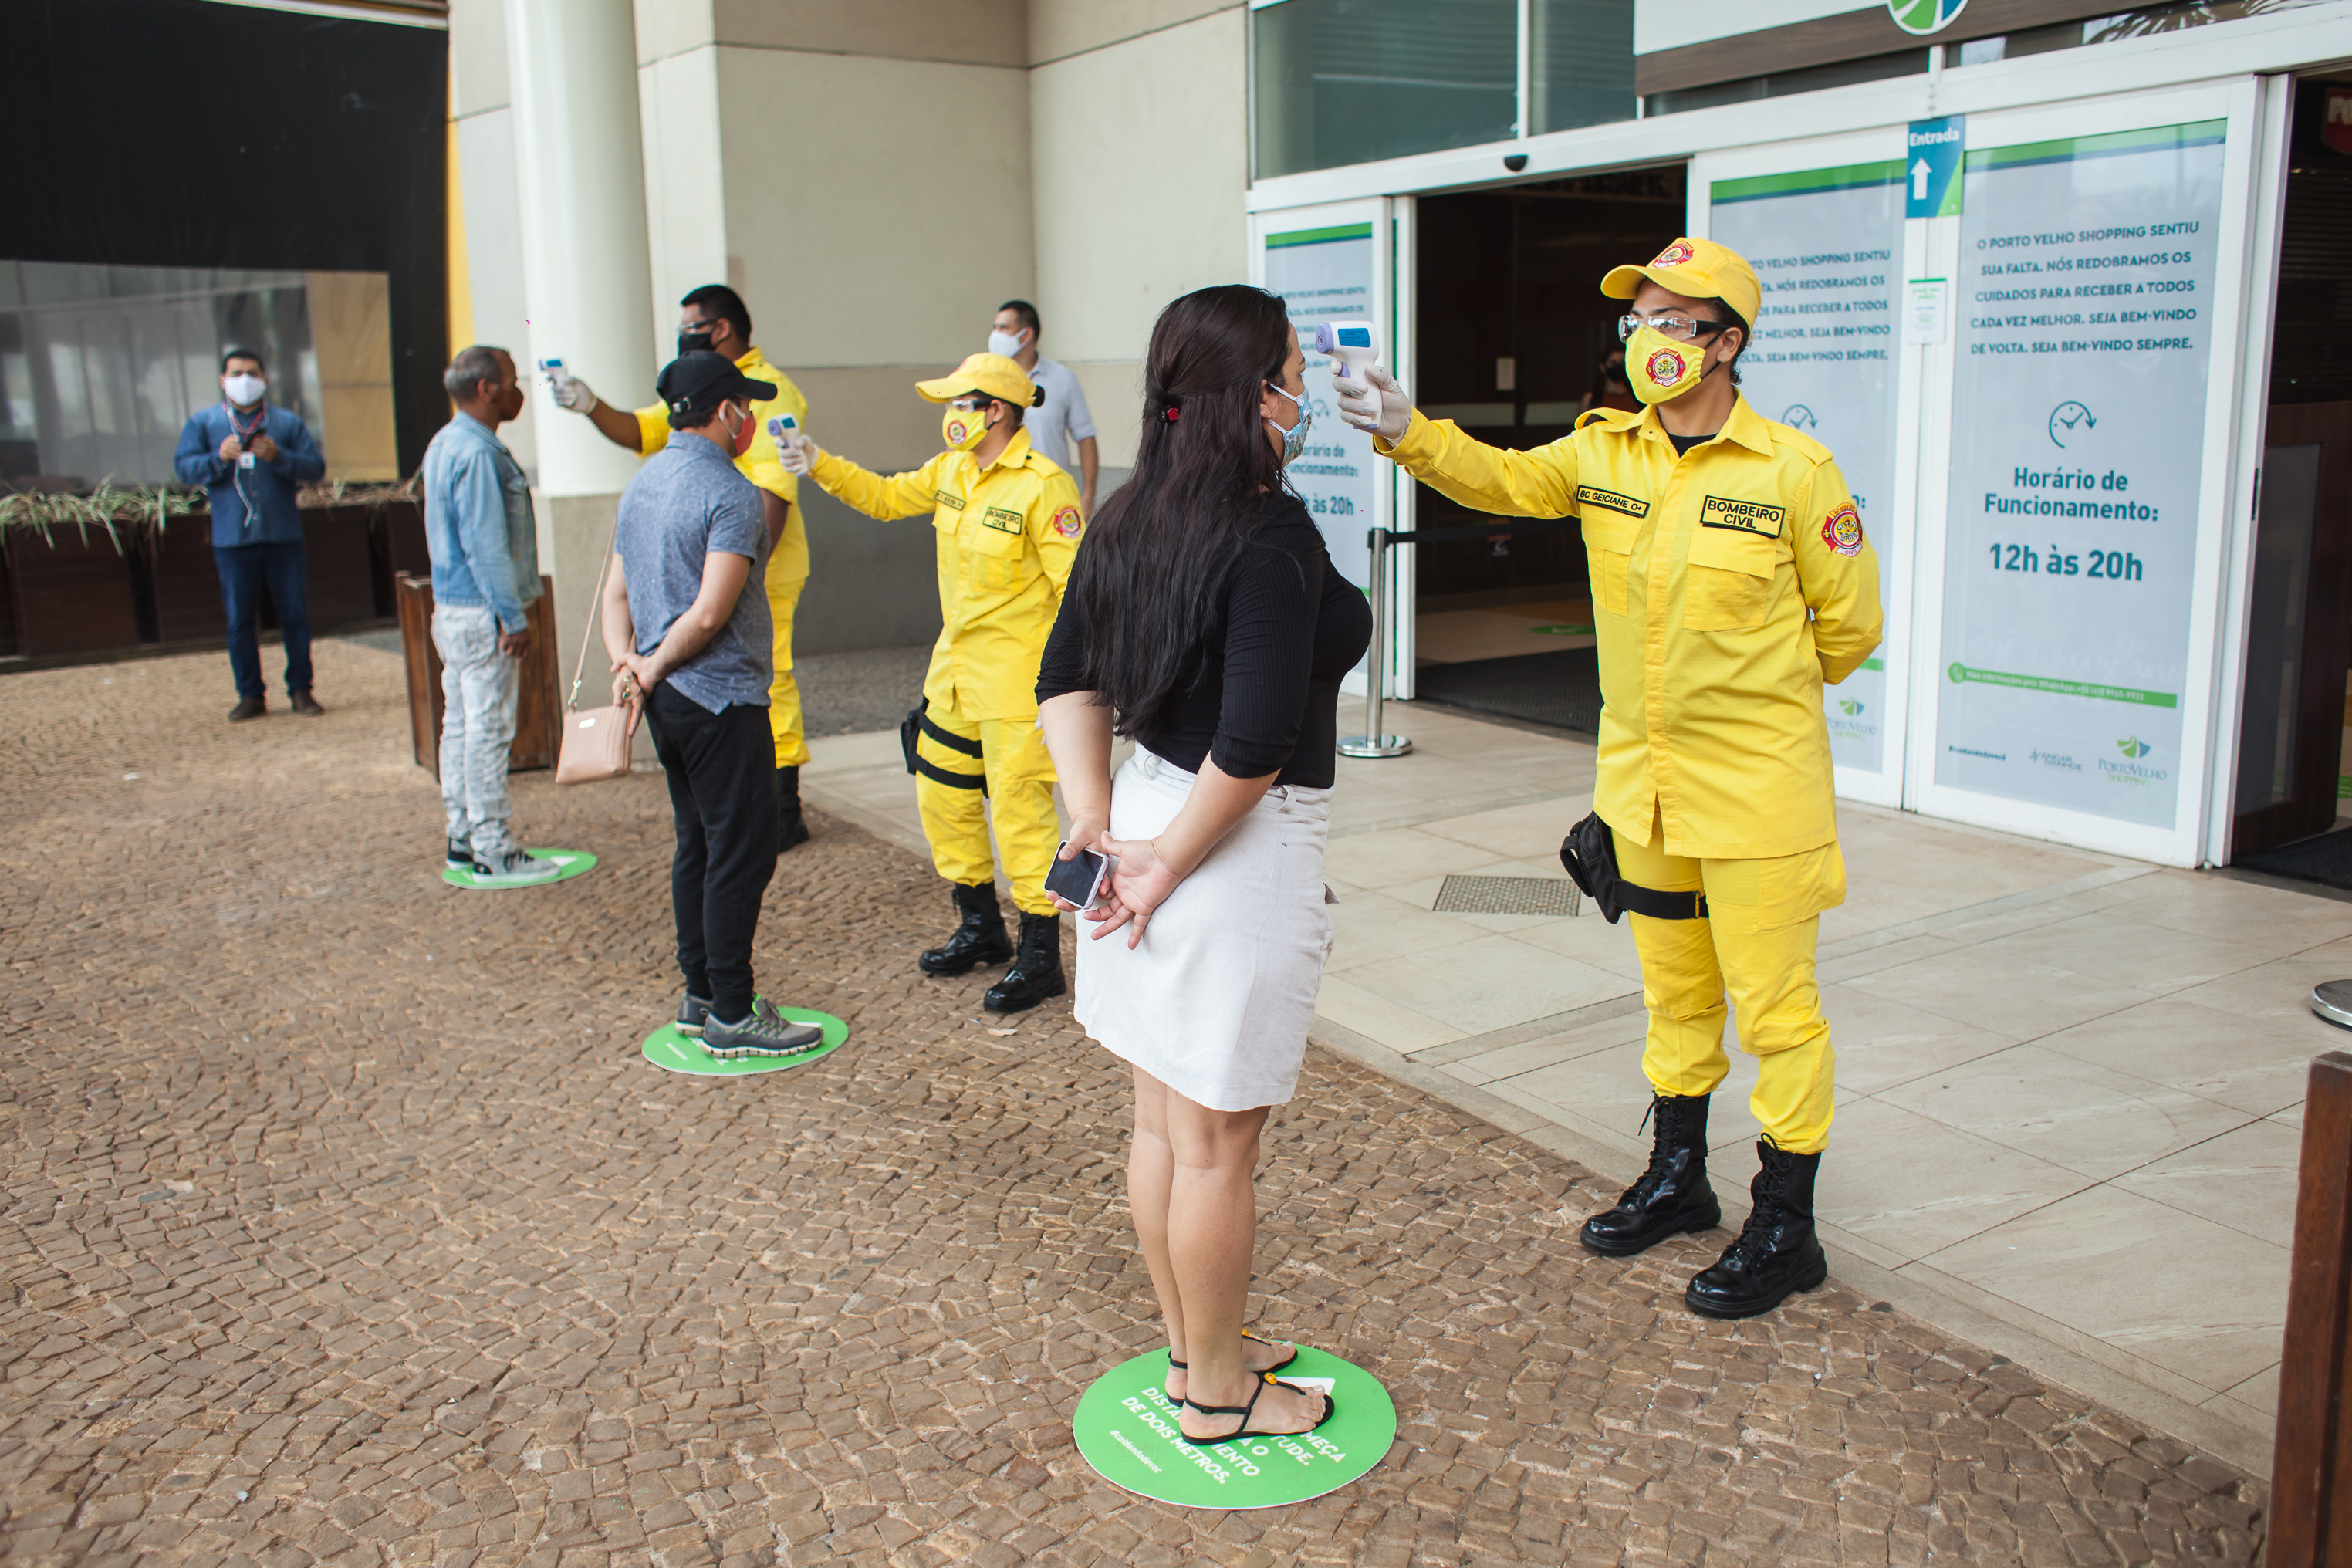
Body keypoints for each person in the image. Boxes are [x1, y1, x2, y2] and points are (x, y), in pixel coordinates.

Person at [1337, 237, 1882, 1320]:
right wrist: (1409, 433)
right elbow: (1498, 478)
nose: (1651, 341)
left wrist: (1755, 706)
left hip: (1759, 797)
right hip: (1645, 791)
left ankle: (1788, 1226)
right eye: (1639, 322)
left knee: (1778, 1013)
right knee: (1675, 995)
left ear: (1729, 343)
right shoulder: (1604, 454)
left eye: (1678, 323)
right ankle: (1682, 1178)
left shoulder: (1792, 470)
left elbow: (1851, 625)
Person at [1036, 284, 1367, 1443]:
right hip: (1226, 846)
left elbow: (1065, 678)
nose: (1302, 392)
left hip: (1140, 822)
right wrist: (1166, 864)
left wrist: (1098, 824)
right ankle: (1220, 1394)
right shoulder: (1269, 537)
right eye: (1289, 370)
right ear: (1250, 394)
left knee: (1163, 1127)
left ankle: (1197, 1346)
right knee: (1219, 1146)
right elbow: (1257, 744)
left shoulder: (1130, 512)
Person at [778, 353, 1082, 1014]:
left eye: (959, 404)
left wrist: (1069, 689)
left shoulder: (1043, 486)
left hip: (1014, 685)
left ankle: (1040, 956)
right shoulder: (950, 471)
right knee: (943, 800)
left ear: (995, 410)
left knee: (1020, 815)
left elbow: (1077, 592)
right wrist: (816, 459)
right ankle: (981, 927)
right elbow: (886, 499)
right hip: (952, 677)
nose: (950, 416)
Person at [602, 351, 826, 1061]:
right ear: (725, 412)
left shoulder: (642, 484)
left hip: (668, 702)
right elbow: (707, 615)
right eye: (746, 407)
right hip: (721, 697)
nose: (753, 420)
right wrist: (656, 661)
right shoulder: (729, 493)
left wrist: (631, 667)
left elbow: (614, 597)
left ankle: (700, 996)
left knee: (696, 842)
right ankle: (733, 1011)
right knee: (741, 851)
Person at [548, 284, 818, 852]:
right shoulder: (700, 385)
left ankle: (784, 799)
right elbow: (646, 431)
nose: (683, 329)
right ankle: (758, 813)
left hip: (754, 572)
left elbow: (771, 498)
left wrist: (731, 566)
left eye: (691, 322)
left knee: (776, 680)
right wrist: (590, 403)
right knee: (716, 843)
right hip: (709, 584)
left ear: (721, 327)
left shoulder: (772, 395)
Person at [420, 346, 559, 887]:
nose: (517, 390)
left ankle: (462, 837)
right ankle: (493, 847)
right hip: (482, 615)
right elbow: (487, 547)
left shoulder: (445, 443)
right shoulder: (477, 454)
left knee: (460, 726)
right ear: (486, 390)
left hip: (454, 610)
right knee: (488, 730)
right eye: (511, 381)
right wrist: (513, 618)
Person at [173, 347, 329, 721]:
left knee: (294, 614)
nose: (245, 380)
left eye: (252, 372)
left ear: (265, 378)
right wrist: (217, 459)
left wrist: (280, 457)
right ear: (224, 380)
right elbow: (184, 469)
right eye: (237, 373)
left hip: (283, 537)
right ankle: (250, 694)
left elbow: (316, 468)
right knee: (240, 619)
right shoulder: (205, 423)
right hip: (232, 539)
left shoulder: (286, 423)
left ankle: (301, 690)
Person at [991, 300, 1099, 515]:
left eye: (1003, 328)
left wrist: (1089, 495)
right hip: (1000, 500)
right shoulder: (987, 380)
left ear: (1026, 334)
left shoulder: (1062, 379)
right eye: (995, 328)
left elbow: (1086, 437)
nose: (995, 335)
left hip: (1052, 499)